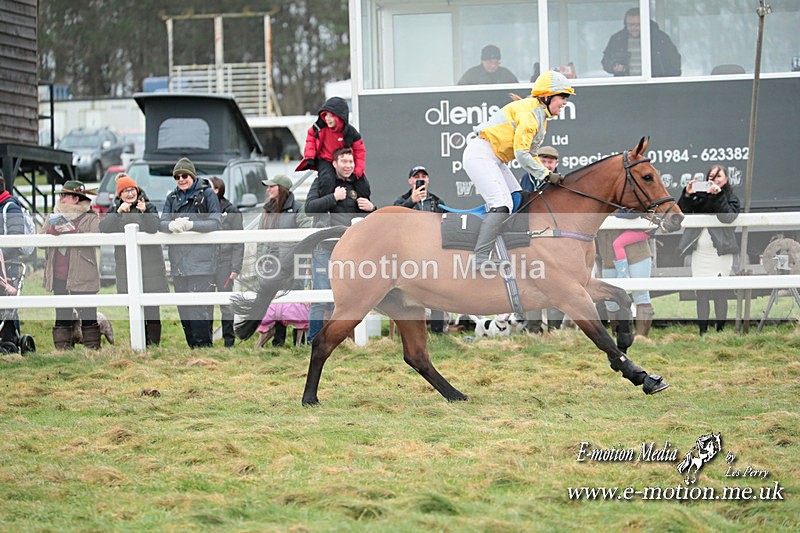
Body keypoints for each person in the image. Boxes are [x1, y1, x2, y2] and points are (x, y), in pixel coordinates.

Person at [462, 70, 574, 267]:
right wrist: (546, 175)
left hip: (495, 158)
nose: (564, 102)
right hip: (481, 154)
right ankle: (479, 259)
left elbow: (532, 153)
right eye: (562, 97)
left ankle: (508, 249)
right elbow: (522, 154)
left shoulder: (541, 116)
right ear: (547, 97)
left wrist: (548, 175)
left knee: (518, 199)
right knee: (502, 205)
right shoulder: (531, 115)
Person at [304, 147, 376, 342]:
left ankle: (344, 340)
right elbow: (309, 208)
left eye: (351, 162)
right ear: (334, 164)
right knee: (321, 295)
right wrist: (333, 198)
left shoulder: (358, 185)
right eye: (344, 161)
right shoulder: (322, 182)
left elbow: (366, 221)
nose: (348, 165)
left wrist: (372, 208)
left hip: (351, 250)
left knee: (350, 296)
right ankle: (313, 340)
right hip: (324, 247)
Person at [99, 173, 169, 346]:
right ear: (119, 194)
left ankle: (154, 344)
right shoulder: (115, 209)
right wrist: (117, 213)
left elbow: (153, 228)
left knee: (152, 307)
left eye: (132, 190)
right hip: (126, 266)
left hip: (150, 266)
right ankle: (138, 343)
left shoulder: (149, 206)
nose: (130, 194)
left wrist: (144, 212)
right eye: (125, 191)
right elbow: (104, 229)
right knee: (133, 307)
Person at [159, 157, 222, 348]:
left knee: (201, 308)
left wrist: (191, 225)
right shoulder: (171, 198)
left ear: (192, 176)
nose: (181, 179)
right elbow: (161, 222)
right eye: (177, 177)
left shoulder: (207, 194)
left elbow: (216, 222)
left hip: (202, 263)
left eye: (184, 175)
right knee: (184, 308)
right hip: (179, 263)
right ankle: (192, 347)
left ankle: (204, 348)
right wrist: (170, 225)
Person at [677, 165, 740, 335]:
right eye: (711, 176)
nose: (714, 179)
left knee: (720, 293)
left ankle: (720, 330)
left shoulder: (731, 198)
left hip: (721, 253)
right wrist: (688, 194)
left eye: (718, 176)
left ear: (726, 179)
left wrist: (717, 195)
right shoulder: (700, 196)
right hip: (700, 254)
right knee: (702, 293)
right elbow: (682, 212)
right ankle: (703, 331)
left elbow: (726, 217)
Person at [42, 181, 101, 350]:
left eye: (65, 195)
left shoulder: (90, 216)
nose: (61, 199)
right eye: (61, 195)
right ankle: (62, 351)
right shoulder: (53, 215)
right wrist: (51, 232)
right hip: (59, 274)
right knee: (62, 313)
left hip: (83, 273)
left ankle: (93, 350)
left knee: (88, 313)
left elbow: (97, 237)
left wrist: (74, 233)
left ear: (76, 198)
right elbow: (39, 239)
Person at [256, 174, 312, 347]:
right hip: (271, 262)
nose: (268, 189)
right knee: (276, 299)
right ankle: (278, 340)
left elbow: (306, 233)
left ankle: (299, 341)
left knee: (295, 300)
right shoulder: (267, 210)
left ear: (281, 188)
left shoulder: (298, 209)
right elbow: (261, 239)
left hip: (292, 263)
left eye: (272, 186)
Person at [393, 165, 446, 333]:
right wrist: (412, 201)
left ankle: (438, 333)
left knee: (437, 290)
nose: (420, 179)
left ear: (428, 180)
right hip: (408, 254)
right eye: (416, 177)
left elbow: (446, 222)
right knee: (408, 293)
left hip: (432, 251)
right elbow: (393, 219)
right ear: (410, 181)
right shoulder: (401, 201)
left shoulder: (437, 201)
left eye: (423, 176)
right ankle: (411, 333)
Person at [295, 96, 369, 201]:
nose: (327, 119)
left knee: (363, 186)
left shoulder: (351, 132)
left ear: (339, 117)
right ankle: (326, 208)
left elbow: (360, 152)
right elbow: (310, 137)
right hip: (326, 160)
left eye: (330, 116)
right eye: (325, 115)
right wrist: (310, 156)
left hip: (343, 161)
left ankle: (364, 211)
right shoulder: (319, 127)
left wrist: (356, 173)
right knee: (327, 181)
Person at [597, 222, 655, 337]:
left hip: (637, 252)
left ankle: (642, 337)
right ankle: (617, 335)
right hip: (608, 254)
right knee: (609, 299)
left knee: (641, 294)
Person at [208, 177, 244, 348]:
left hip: (225, 262)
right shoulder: (204, 209)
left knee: (226, 304)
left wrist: (236, 266)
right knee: (206, 302)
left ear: (216, 189)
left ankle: (229, 340)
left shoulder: (232, 211)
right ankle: (206, 338)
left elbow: (238, 241)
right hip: (207, 263)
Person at [601, 7, 681, 78]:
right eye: (630, 25)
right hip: (626, 88)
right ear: (626, 24)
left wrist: (669, 83)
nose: (634, 28)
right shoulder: (617, 39)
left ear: (645, 23)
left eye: (637, 25)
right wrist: (613, 66)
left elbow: (675, 60)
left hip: (655, 87)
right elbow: (606, 61)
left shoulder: (660, 38)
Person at [0, 175, 26, 351]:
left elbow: (16, 238)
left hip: (8, 265)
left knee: (7, 304)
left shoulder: (10, 207)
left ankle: (9, 337)